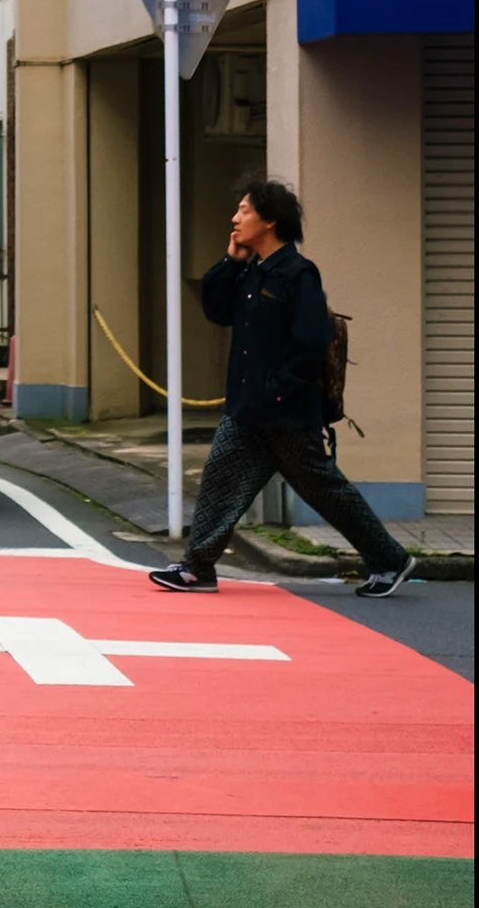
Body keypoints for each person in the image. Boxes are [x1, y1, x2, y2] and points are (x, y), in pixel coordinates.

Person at [150, 179, 415, 598]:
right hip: (247, 409)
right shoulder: (252, 272)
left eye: (244, 211)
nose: (234, 219)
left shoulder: (298, 274)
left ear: (270, 221)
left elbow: (311, 340)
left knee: (324, 490)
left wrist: (279, 388)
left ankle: (391, 560)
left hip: (286, 411)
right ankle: (197, 568)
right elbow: (217, 311)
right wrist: (230, 260)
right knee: (220, 479)